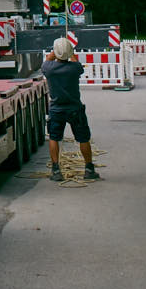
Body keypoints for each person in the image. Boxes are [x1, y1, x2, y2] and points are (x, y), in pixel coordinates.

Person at [41, 36, 100, 181]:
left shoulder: (49, 69)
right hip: (75, 108)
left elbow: (48, 59)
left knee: (54, 138)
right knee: (83, 138)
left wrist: (55, 52)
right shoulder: (75, 68)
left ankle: (56, 170)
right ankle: (88, 169)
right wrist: (70, 52)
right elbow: (76, 61)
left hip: (56, 110)